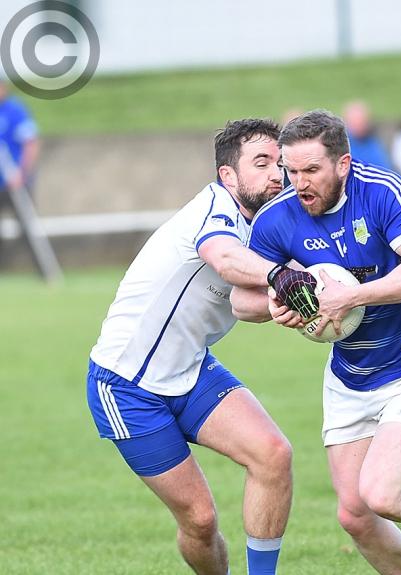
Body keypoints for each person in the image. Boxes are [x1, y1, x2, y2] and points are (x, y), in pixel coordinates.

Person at [231, 109, 401, 575]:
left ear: (343, 164)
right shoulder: (277, 218)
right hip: (348, 378)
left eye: (311, 171)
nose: (299, 183)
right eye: (290, 171)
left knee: (382, 492)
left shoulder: (382, 192)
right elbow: (241, 300)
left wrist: (350, 296)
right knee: (355, 515)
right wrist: (274, 306)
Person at [86, 119, 292, 575]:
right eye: (261, 163)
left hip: (190, 369)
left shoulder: (268, 224)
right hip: (127, 386)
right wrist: (283, 279)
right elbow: (223, 258)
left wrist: (304, 301)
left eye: (280, 162)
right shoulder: (215, 210)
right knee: (200, 521)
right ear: (228, 176)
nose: (276, 173)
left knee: (273, 455)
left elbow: (243, 304)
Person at [0, 77, 40, 259]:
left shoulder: (15, 110)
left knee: (27, 227)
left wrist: (22, 173)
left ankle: (45, 273)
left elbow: (30, 143)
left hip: (15, 180)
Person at [343, 99, 392, 168]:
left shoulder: (373, 143)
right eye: (354, 122)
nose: (358, 125)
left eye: (361, 121)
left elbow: (384, 168)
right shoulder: (341, 145)